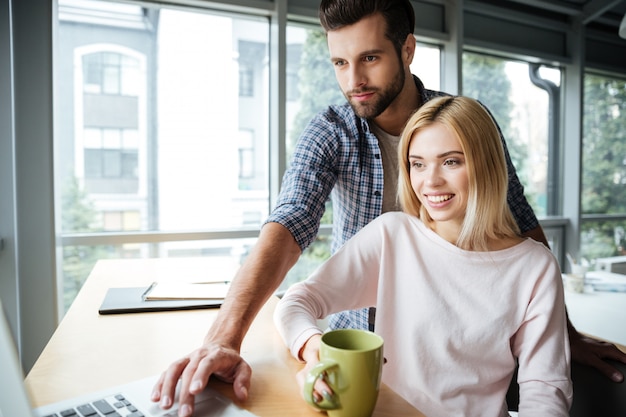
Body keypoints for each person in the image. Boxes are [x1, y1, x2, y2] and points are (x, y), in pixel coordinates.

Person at [151, 1, 626, 415]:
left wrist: (563, 332)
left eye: (370, 58)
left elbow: (521, 225)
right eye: (339, 62)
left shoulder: (460, 123)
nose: (353, 80)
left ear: (407, 50)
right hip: (360, 356)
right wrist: (224, 338)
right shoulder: (334, 133)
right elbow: (289, 223)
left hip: (463, 356)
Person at [274, 95, 573, 416]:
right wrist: (313, 347)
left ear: (487, 164)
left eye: (451, 161)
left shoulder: (535, 266)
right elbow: (297, 302)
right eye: (417, 164)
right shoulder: (394, 236)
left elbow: (544, 389)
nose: (430, 181)